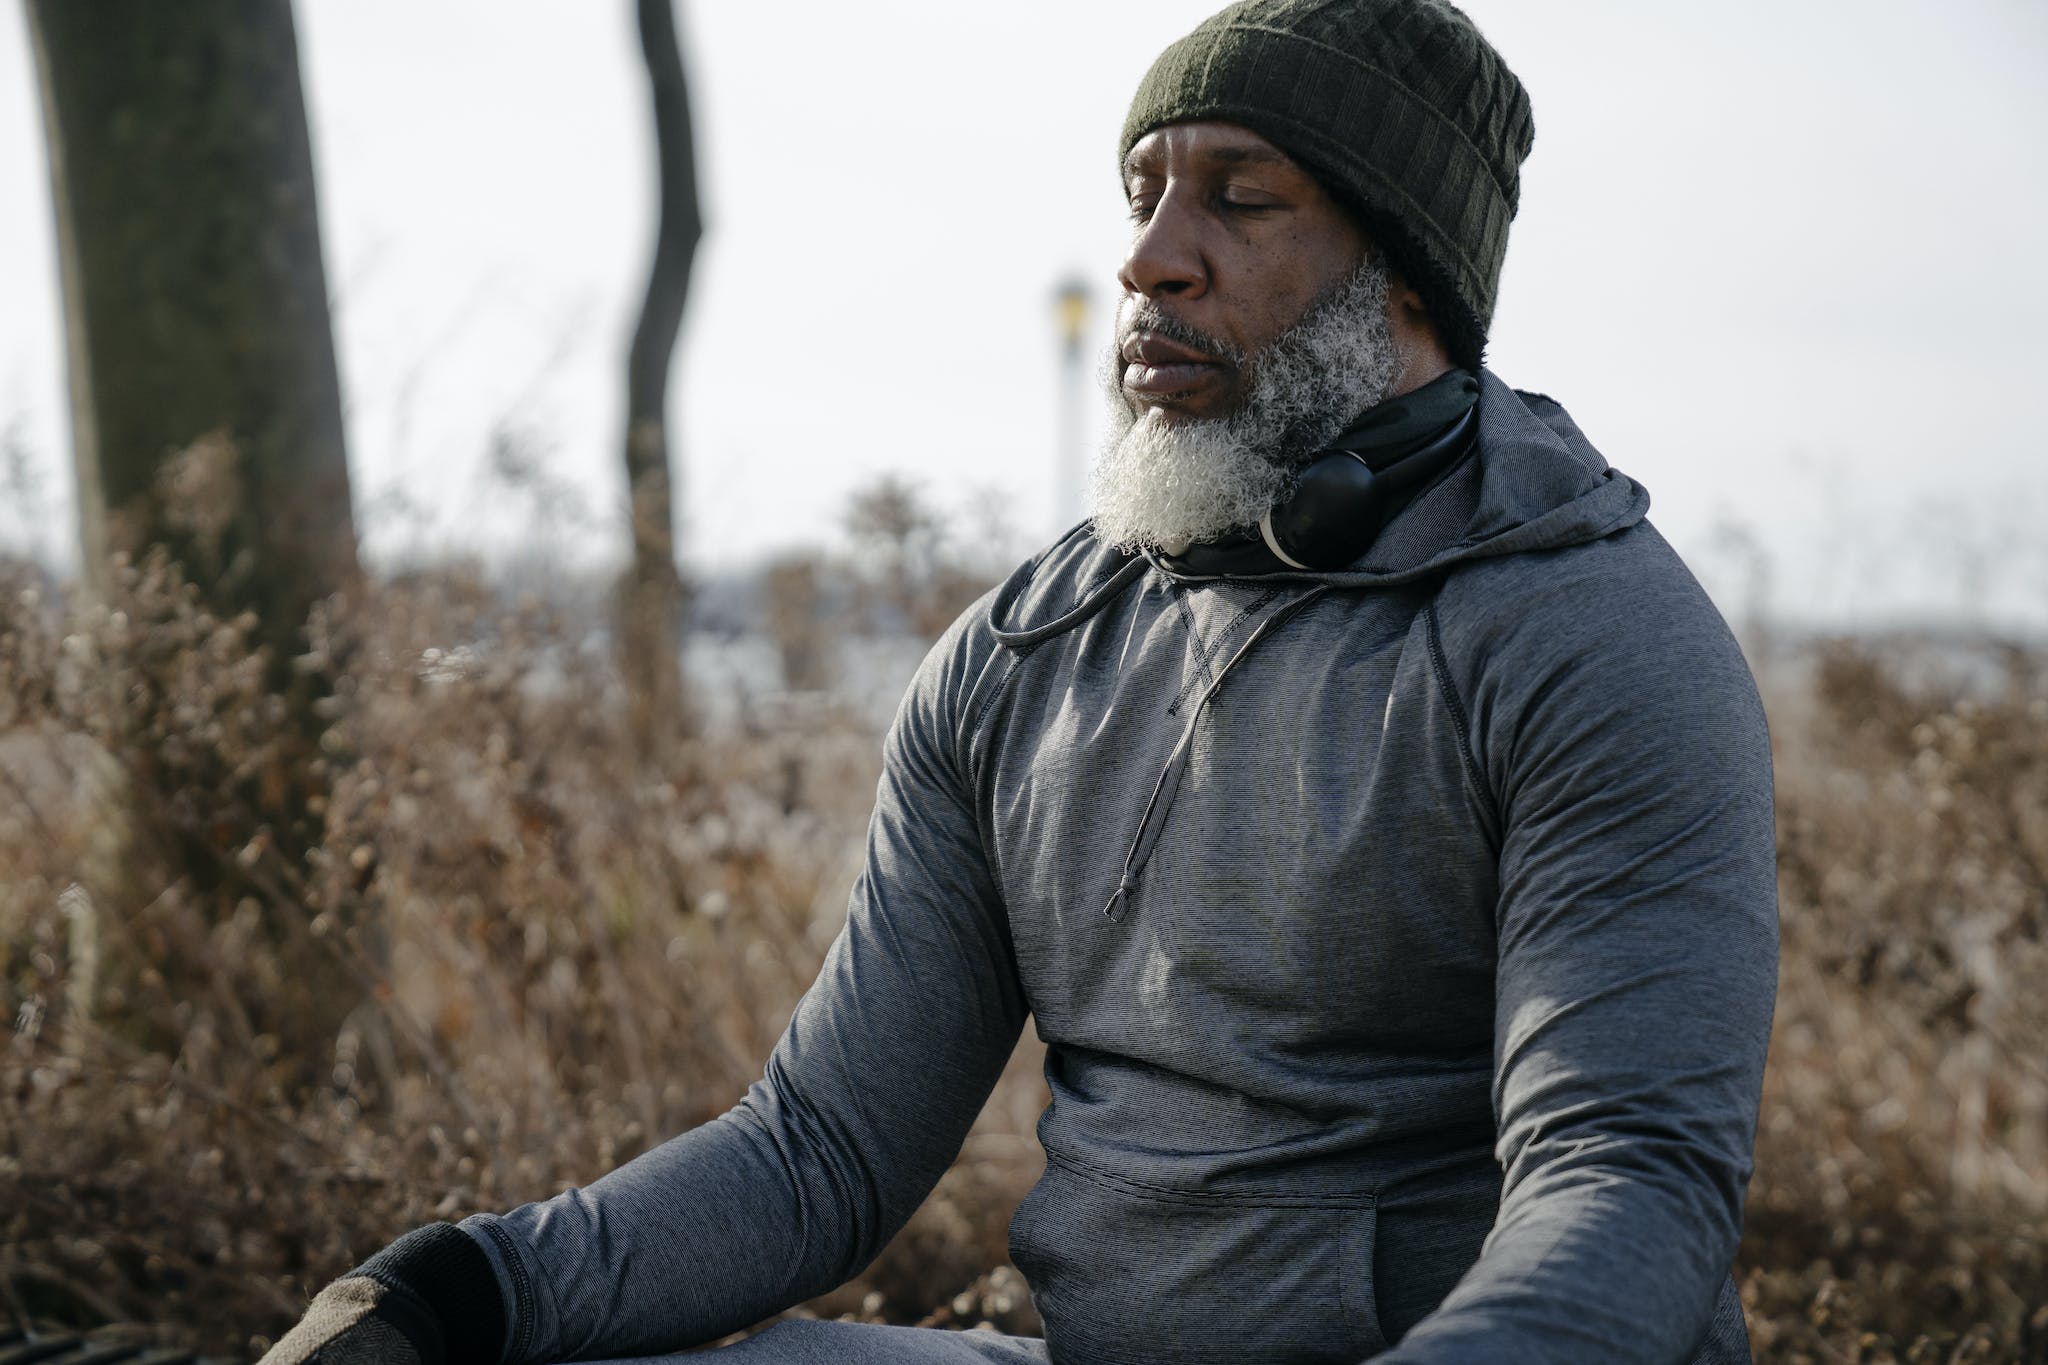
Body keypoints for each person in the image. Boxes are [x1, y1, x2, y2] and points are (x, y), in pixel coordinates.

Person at [261, 1, 1777, 1361]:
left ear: (1406, 288)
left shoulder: (1594, 643)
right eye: (1145, 193)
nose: (1150, 256)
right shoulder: (1020, 655)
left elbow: (1627, 1182)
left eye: (1241, 201)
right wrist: (456, 1292)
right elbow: (818, 1151)